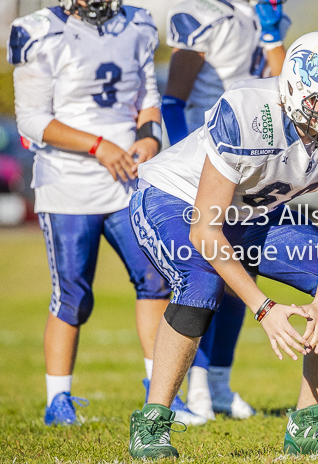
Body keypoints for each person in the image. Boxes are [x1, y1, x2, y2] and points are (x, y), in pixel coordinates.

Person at [127, 31, 318, 459]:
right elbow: (205, 233)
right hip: (176, 200)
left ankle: (309, 426)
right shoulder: (249, 110)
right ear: (297, 89)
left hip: (249, 215)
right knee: (201, 281)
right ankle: (152, 423)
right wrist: (264, 308)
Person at [7, 0, 202, 426]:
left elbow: (147, 97)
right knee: (73, 296)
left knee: (156, 281)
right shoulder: (36, 30)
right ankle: (58, 400)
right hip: (68, 184)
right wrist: (99, 146)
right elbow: (31, 120)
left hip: (128, 180)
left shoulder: (137, 22)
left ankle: (161, 394)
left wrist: (149, 138)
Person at [160, 0, 290, 421]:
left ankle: (218, 382)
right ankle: (194, 386)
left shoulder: (268, 18)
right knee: (203, 277)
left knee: (240, 274)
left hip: (253, 165)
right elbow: (173, 102)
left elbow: (288, 91)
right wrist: (188, 161)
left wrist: (274, 38)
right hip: (206, 160)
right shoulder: (203, 13)